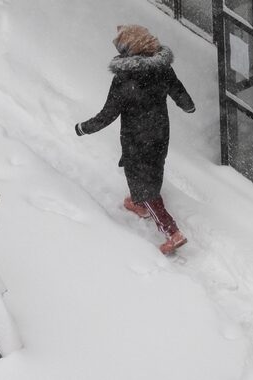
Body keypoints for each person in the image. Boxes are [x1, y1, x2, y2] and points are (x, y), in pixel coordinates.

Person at [75, 25, 195, 255]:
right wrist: (188, 106)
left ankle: (172, 232)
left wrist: (84, 128)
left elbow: (108, 114)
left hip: (136, 137)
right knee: (155, 169)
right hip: (160, 132)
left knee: (141, 180)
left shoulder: (124, 79)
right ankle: (140, 204)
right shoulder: (162, 69)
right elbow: (178, 91)